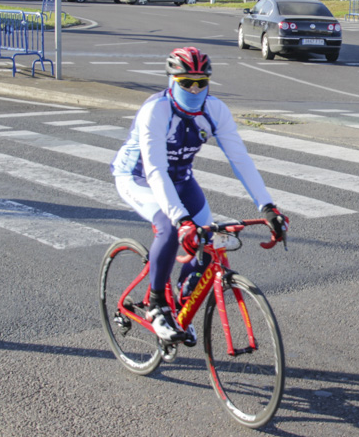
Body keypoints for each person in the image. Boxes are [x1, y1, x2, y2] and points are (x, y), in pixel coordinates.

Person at [111, 46, 288, 344]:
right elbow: (155, 169)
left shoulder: (215, 110)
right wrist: (181, 219)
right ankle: (156, 304)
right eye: (186, 82)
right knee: (168, 230)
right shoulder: (156, 110)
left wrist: (268, 206)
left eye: (201, 82)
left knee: (208, 242)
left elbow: (240, 159)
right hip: (139, 178)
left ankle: (180, 308)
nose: (194, 88)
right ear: (172, 81)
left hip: (181, 179)